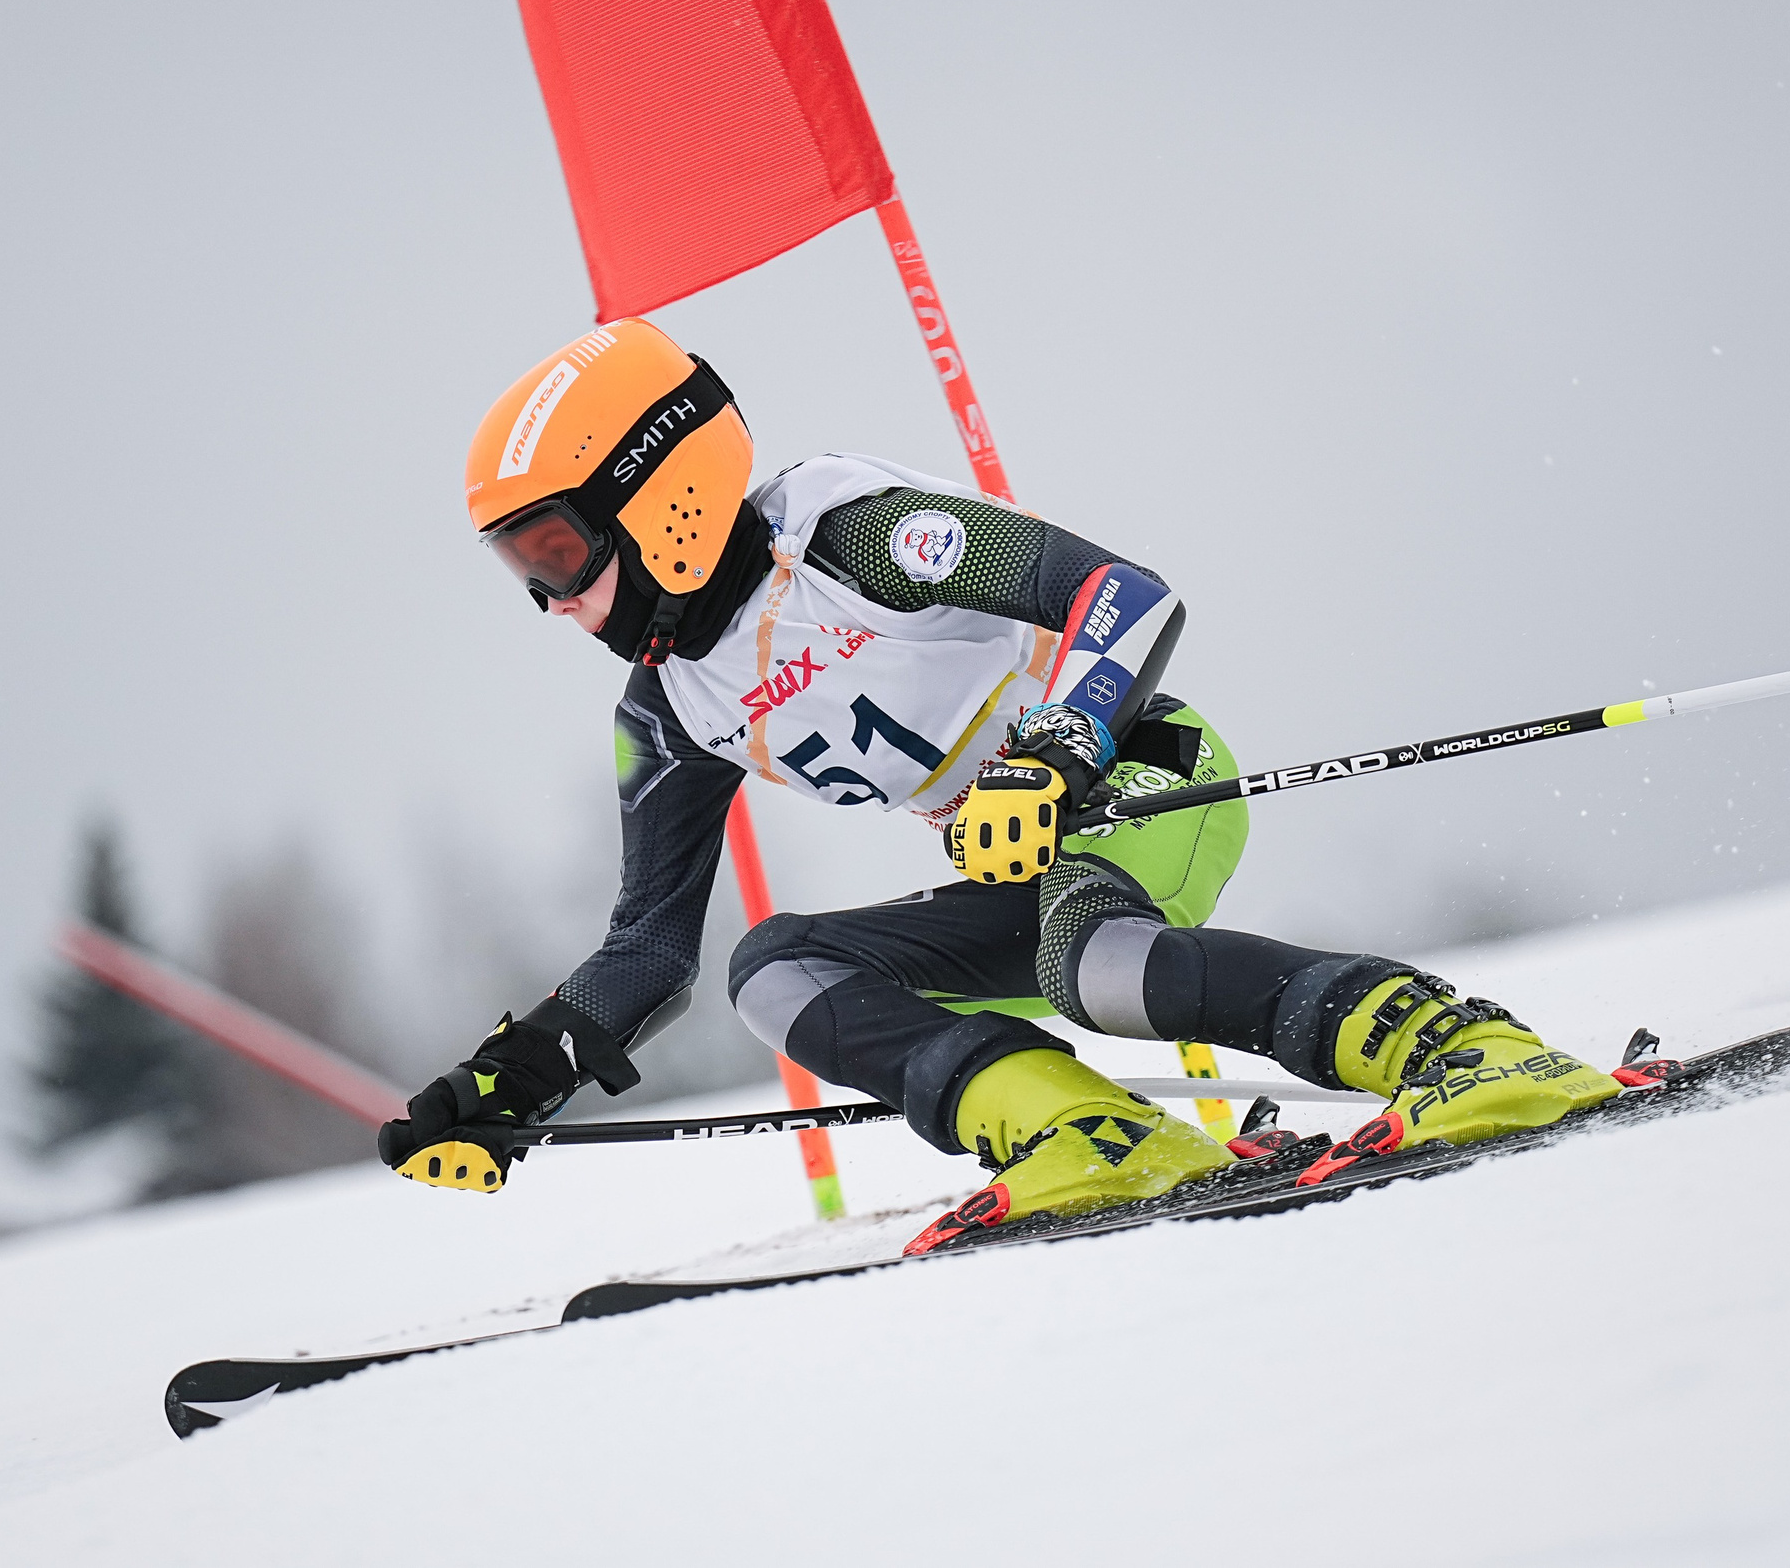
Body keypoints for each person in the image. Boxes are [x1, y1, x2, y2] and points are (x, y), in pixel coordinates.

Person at [380, 318, 1621, 1252]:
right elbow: (649, 949)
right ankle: (1083, 1134)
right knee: (777, 969)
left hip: (1142, 776)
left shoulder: (846, 538)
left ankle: (1459, 1046)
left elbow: (1126, 597)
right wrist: (511, 1083)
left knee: (1098, 964)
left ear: (661, 496)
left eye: (557, 551)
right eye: (521, 570)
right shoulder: (666, 713)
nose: (551, 601)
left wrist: (1058, 749)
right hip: (1014, 860)